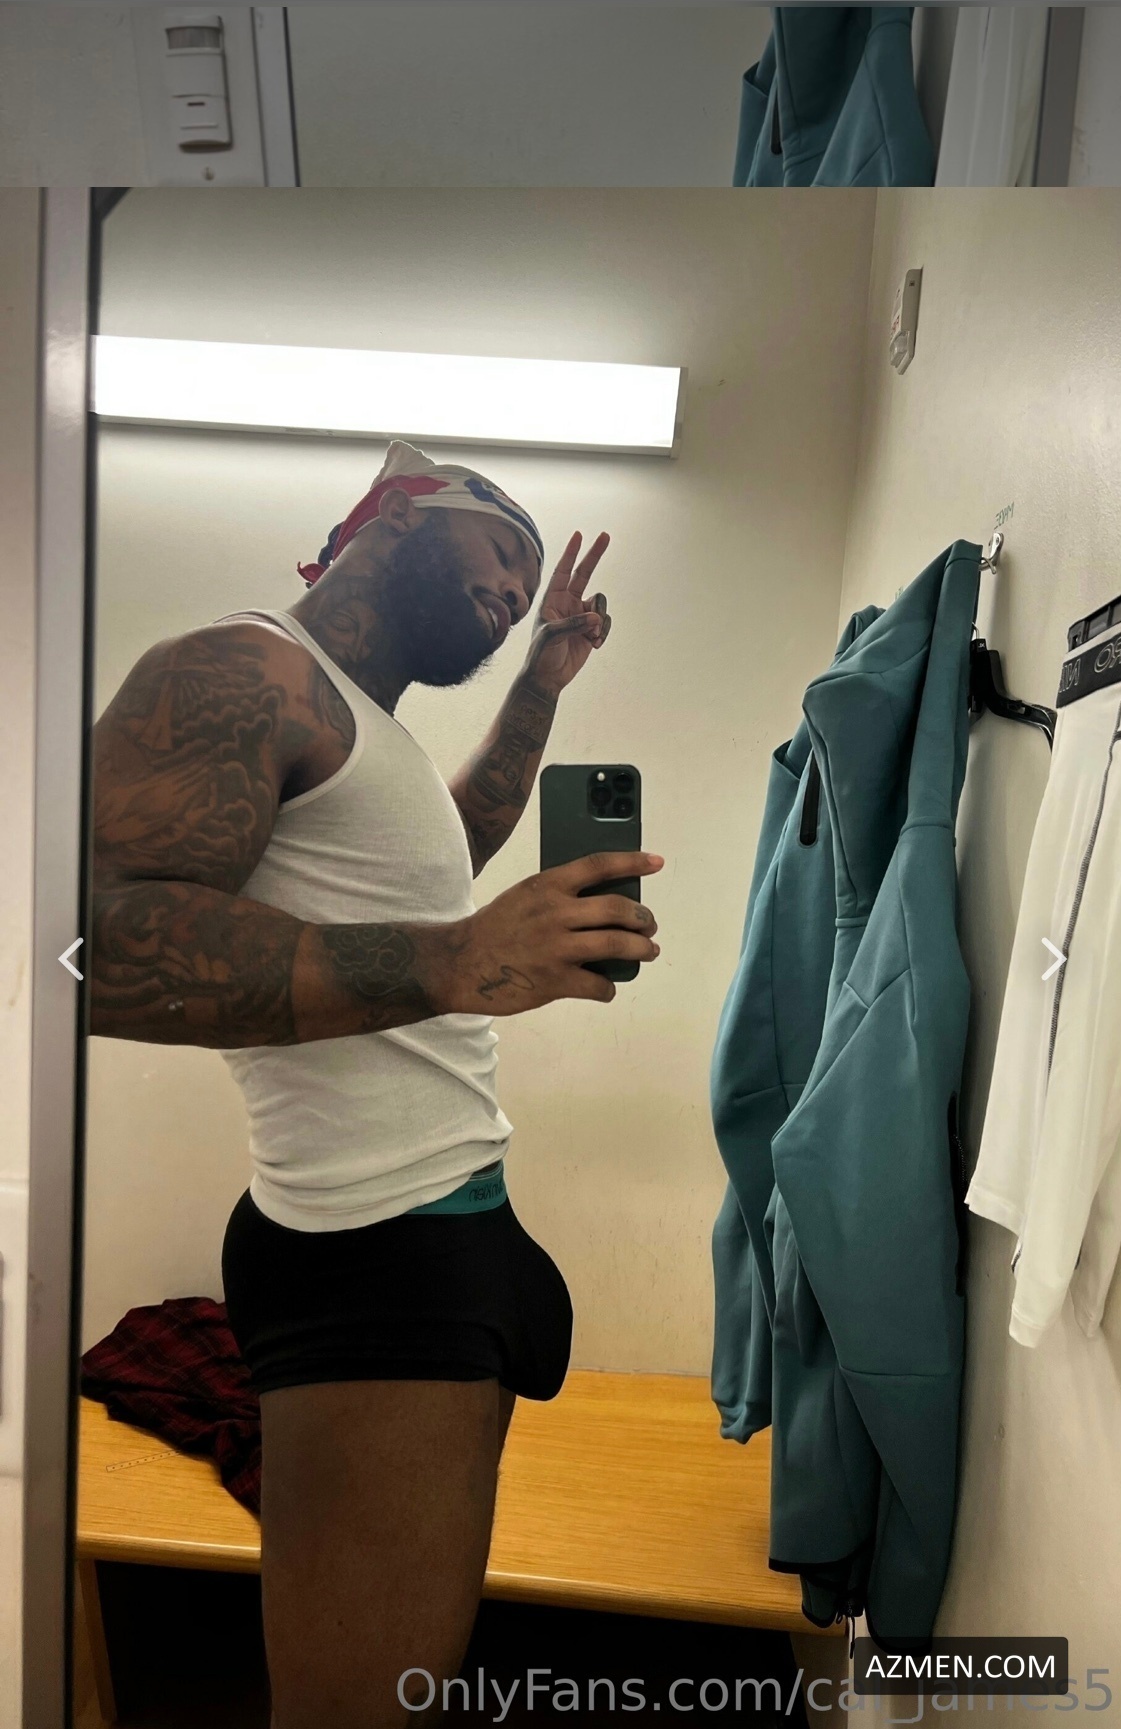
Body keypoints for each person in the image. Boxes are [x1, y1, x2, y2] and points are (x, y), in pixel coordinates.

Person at [89, 438, 664, 1729]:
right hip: (375, 1256)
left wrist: (541, 682)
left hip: (443, 1234)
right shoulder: (240, 668)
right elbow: (90, 944)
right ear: (393, 513)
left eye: (526, 577)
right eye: (500, 547)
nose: (513, 586)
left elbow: (449, 852)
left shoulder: (366, 725)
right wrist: (456, 957)